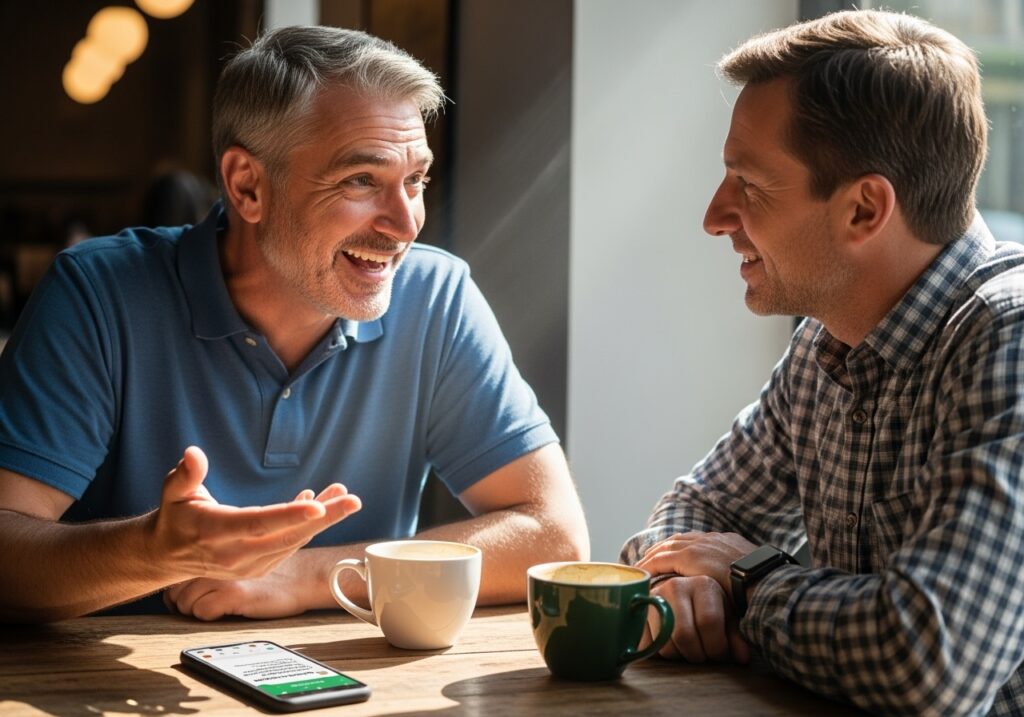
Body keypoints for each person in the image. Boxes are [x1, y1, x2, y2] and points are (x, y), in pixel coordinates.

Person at [0, 25, 588, 623]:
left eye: (415, 180)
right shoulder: (99, 293)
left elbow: (555, 537)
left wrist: (307, 574)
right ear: (247, 186)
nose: (407, 223)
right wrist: (155, 553)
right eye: (362, 180)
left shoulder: (436, 298)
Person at [622, 9, 1024, 717]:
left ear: (865, 210)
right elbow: (693, 514)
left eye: (749, 184)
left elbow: (933, 664)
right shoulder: (827, 344)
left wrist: (745, 582)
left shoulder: (1008, 339)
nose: (715, 216)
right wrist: (680, 582)